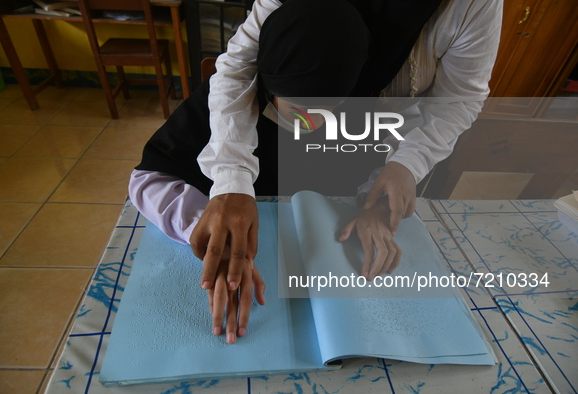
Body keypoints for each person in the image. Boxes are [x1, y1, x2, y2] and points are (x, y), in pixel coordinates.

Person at [130, 0, 503, 343]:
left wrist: (374, 202)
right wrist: (214, 227)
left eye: (328, 110)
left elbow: (451, 104)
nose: (312, 124)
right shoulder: (229, 102)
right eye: (297, 109)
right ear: (266, 77)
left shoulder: (355, 125)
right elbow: (149, 179)